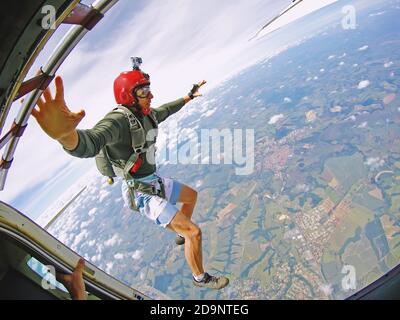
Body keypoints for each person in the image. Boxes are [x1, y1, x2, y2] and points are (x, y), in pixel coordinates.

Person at [32, 63, 229, 290]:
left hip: (152, 180)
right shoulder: (117, 121)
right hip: (140, 192)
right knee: (195, 232)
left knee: (191, 197)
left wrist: (188, 97)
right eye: (144, 91)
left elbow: (165, 110)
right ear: (129, 96)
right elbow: (91, 142)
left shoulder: (145, 115)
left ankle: (181, 235)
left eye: (148, 89)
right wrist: (66, 135)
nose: (151, 95)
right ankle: (200, 278)